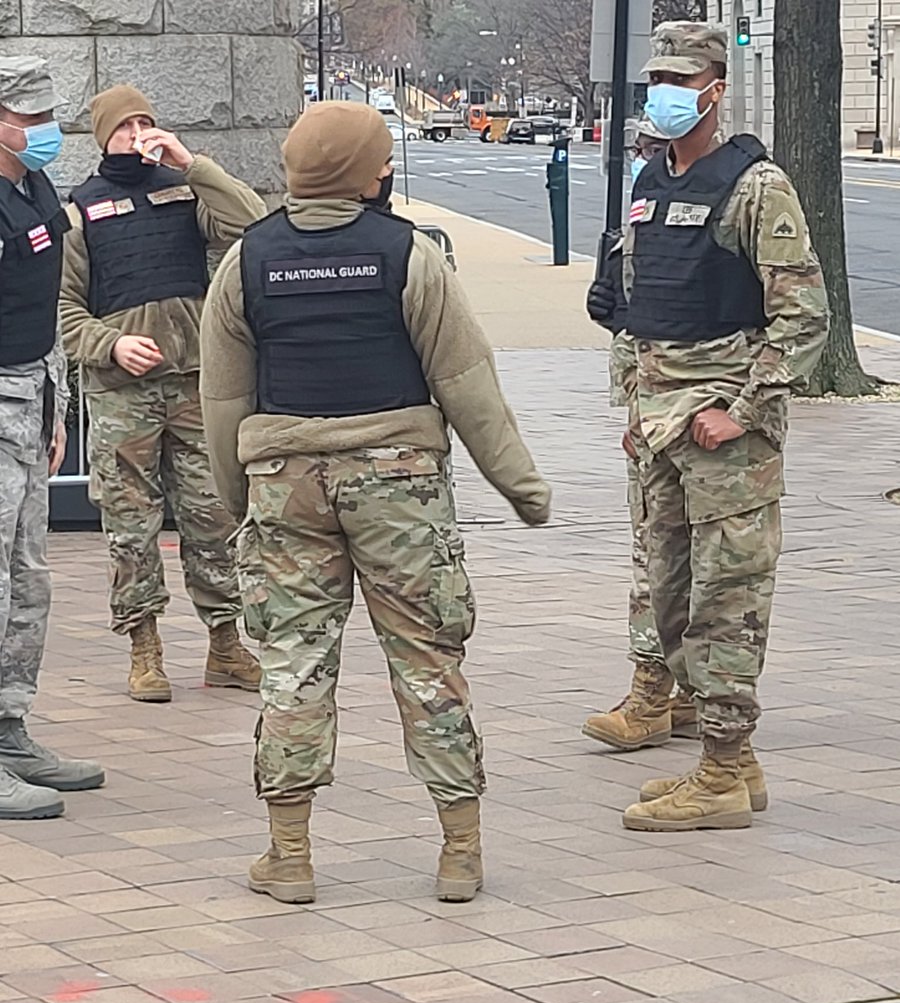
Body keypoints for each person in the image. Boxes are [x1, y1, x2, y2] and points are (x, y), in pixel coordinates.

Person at [200, 102, 551, 905]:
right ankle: (459, 851)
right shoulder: (410, 255)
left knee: (292, 664)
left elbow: (222, 395)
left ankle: (289, 856)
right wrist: (521, 486)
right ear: (369, 172)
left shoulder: (248, 262)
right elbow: (466, 380)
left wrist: (233, 499)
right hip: (398, 485)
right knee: (427, 660)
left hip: (285, 484)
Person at [615, 23, 828, 832]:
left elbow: (803, 317)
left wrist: (737, 410)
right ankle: (730, 763)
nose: (666, 91)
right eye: (658, 77)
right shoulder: (651, 180)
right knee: (668, 599)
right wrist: (633, 406)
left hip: (723, 436)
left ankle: (721, 767)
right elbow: (634, 306)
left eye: (684, 76)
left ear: (715, 87)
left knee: (725, 602)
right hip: (661, 425)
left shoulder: (756, 186)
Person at [60, 85, 266, 703]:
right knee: (131, 527)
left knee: (214, 516)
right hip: (122, 394)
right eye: (126, 126)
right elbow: (64, 312)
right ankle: (143, 647)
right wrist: (110, 345)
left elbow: (252, 225)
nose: (139, 133)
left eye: (147, 122)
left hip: (195, 383)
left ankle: (225, 644)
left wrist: (191, 163)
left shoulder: (183, 194)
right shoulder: (79, 213)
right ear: (104, 136)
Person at [0, 56, 104, 819]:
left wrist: (56, 409)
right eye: (29, 119)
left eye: (46, 117)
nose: (44, 132)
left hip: (31, 394)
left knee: (27, 578)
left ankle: (10, 730)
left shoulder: (32, 188)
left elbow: (45, 308)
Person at [582, 115, 700, 753]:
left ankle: (658, 691)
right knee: (656, 542)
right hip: (647, 397)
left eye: (655, 148)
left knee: (669, 552)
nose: (647, 159)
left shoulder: (731, 198)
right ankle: (672, 689)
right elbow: (618, 306)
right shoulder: (644, 206)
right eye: (642, 149)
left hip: (698, 401)